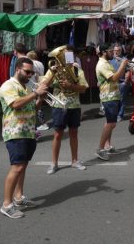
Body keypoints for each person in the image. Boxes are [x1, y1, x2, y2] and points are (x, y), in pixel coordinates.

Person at [0, 57, 47, 219]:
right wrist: (35, 93)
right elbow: (16, 104)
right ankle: (7, 204)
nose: (30, 75)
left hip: (28, 131)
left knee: (23, 166)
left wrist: (40, 97)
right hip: (15, 132)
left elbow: (32, 107)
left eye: (32, 72)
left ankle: (18, 198)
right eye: (27, 72)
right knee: (17, 167)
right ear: (18, 69)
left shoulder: (26, 87)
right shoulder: (8, 86)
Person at [44, 46, 89, 175]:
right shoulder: (53, 69)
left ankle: (75, 160)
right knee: (58, 134)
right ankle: (54, 163)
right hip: (59, 105)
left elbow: (84, 88)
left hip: (74, 105)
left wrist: (70, 86)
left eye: (68, 54)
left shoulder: (76, 69)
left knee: (74, 133)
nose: (66, 57)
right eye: (64, 55)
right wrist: (52, 73)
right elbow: (44, 86)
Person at [95, 44, 129, 160]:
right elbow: (114, 78)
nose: (112, 53)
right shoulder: (102, 64)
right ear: (104, 52)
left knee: (110, 123)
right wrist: (123, 65)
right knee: (111, 123)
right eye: (110, 51)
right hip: (108, 97)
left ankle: (107, 145)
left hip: (114, 95)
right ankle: (100, 149)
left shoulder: (107, 62)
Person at [26, 51, 46, 131]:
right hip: (40, 84)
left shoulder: (31, 63)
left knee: (32, 106)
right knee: (39, 104)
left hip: (32, 85)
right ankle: (43, 123)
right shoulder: (40, 63)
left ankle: (34, 124)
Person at [110, 44, 128, 122]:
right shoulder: (110, 60)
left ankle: (120, 115)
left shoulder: (124, 59)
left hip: (121, 82)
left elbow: (128, 71)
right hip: (112, 82)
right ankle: (114, 114)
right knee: (113, 100)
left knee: (121, 100)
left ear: (121, 51)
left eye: (118, 50)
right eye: (115, 50)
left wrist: (125, 81)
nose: (117, 52)